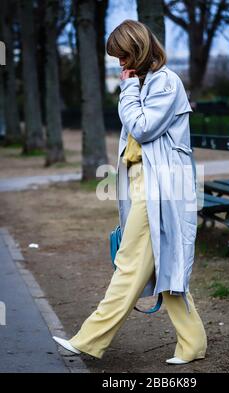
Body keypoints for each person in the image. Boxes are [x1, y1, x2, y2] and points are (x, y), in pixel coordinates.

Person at [53, 19, 207, 365]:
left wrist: (128, 89)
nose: (120, 65)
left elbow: (143, 127)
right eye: (117, 59)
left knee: (129, 264)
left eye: (123, 57)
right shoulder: (147, 82)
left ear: (137, 50)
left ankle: (89, 339)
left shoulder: (165, 81)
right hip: (144, 182)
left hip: (160, 187)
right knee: (162, 267)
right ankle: (193, 343)